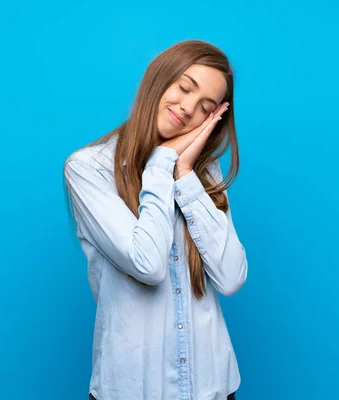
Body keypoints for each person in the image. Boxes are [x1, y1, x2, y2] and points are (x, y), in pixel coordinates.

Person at [64, 39, 248, 400]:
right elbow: (147, 264)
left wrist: (184, 174)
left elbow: (231, 277)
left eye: (205, 107)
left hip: (212, 388)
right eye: (183, 88)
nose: (187, 108)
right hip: (133, 389)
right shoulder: (89, 168)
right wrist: (163, 161)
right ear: (158, 79)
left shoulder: (202, 173)